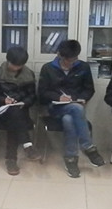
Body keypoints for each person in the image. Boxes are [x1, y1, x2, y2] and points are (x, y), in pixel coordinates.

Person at [37, 39, 105, 178]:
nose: (72, 63)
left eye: (74, 59)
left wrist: (82, 98)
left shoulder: (83, 67)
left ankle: (71, 159)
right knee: (77, 109)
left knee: (69, 119)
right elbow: (42, 93)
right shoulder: (48, 68)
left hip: (74, 108)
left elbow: (89, 89)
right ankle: (88, 147)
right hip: (55, 108)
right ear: (59, 55)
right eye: (69, 60)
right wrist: (58, 97)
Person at [0, 46, 41, 175]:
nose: (17, 68)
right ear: (8, 61)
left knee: (15, 116)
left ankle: (11, 160)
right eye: (14, 65)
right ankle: (27, 146)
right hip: (2, 112)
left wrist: (24, 102)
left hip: (21, 110)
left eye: (20, 66)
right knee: (15, 116)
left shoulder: (28, 74)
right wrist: (4, 100)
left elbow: (32, 96)